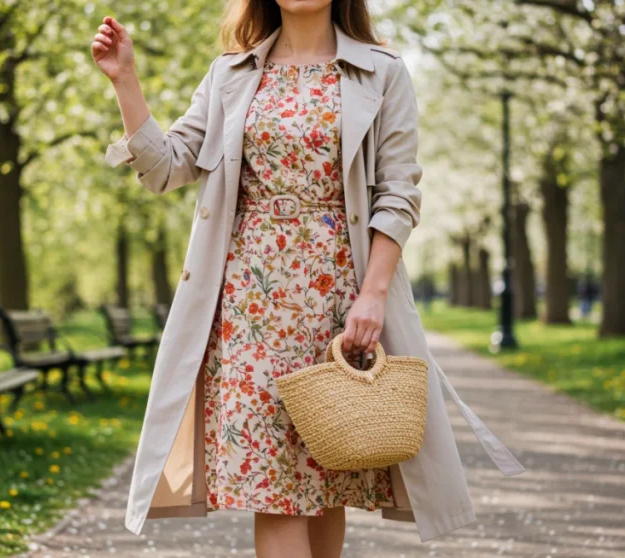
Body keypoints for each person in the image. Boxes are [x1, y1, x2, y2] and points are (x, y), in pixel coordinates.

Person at [92, 2, 525, 556]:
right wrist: (125, 81)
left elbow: (398, 194)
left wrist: (372, 296)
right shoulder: (230, 73)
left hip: (338, 303)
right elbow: (167, 167)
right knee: (272, 487)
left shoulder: (382, 71)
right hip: (249, 309)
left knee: (325, 479)